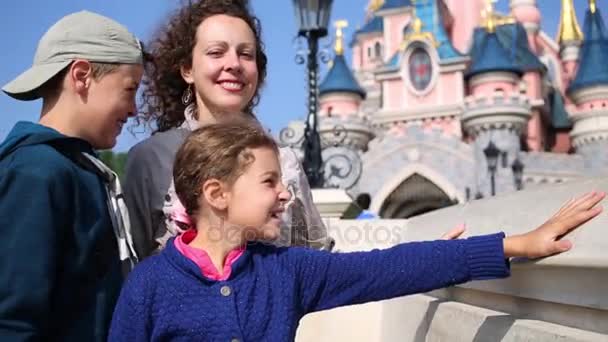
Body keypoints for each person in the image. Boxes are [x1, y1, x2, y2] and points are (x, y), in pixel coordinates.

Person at [109, 122, 605, 341]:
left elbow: (391, 267)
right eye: (268, 182)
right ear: (217, 195)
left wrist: (517, 244)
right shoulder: (149, 288)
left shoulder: (287, 271)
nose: (285, 194)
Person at [123, 0, 333, 260]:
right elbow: (137, 265)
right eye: (216, 52)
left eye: (246, 54)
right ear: (187, 69)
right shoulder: (151, 159)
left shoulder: (285, 160)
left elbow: (315, 259)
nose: (234, 64)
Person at [0, 11, 142, 341]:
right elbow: (12, 320)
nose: (135, 109)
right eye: (129, 89)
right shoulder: (35, 172)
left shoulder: (79, 170)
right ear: (81, 76)